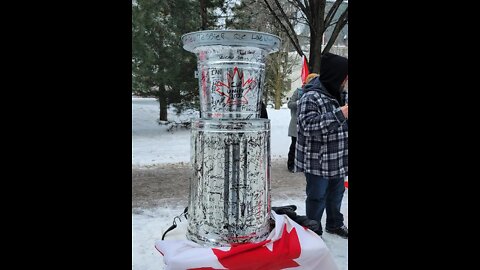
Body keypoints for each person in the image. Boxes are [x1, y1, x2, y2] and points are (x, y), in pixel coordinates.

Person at [295, 52, 349, 238]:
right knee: (317, 197)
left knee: (336, 195)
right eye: (345, 77)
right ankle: (313, 230)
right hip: (318, 161)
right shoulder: (311, 97)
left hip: (337, 159)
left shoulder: (341, 95)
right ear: (336, 75)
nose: (346, 81)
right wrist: (341, 114)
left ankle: (334, 224)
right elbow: (308, 127)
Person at [287, 73, 318, 173]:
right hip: (296, 124)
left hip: (309, 125)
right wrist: (299, 102)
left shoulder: (318, 93)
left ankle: (306, 165)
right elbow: (290, 104)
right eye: (311, 79)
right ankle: (291, 165)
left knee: (309, 146)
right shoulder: (299, 91)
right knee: (294, 145)